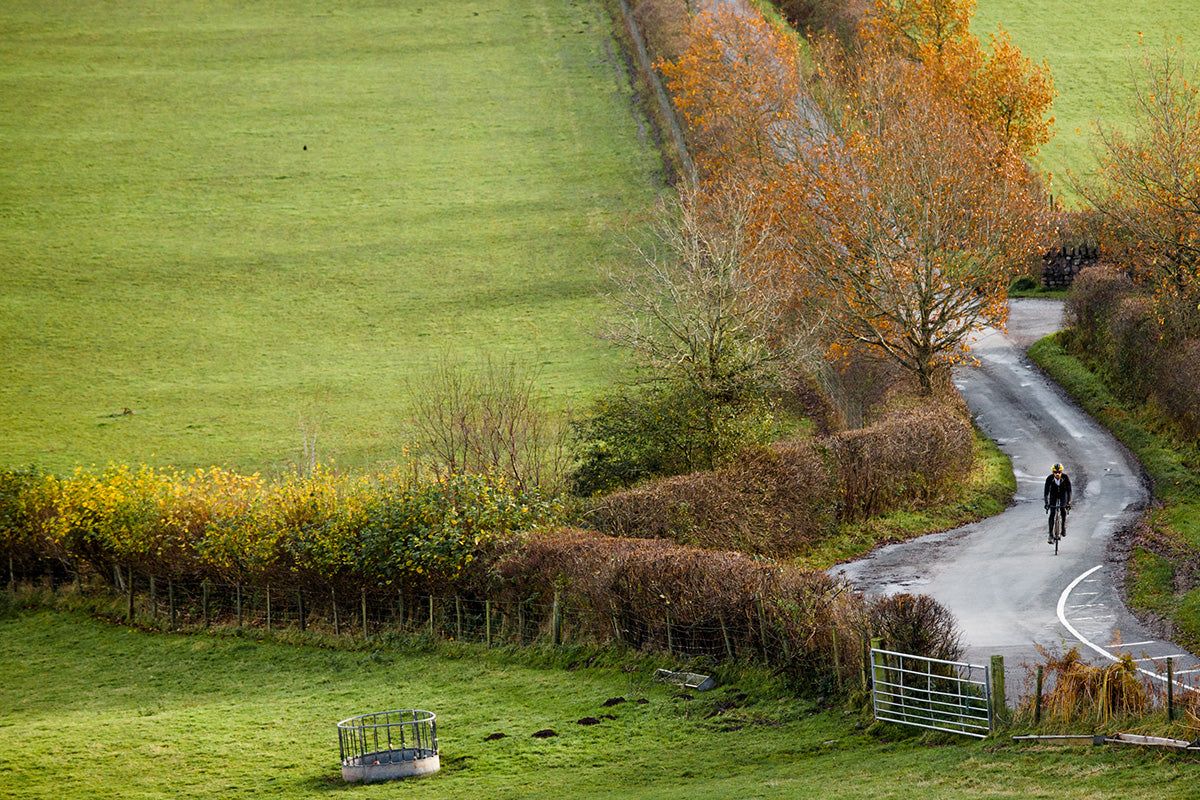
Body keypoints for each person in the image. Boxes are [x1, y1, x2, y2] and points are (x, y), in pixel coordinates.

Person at [1043, 463, 1072, 543]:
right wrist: (1046, 503)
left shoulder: (1065, 478)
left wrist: (1068, 503)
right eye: (1055, 472)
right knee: (1052, 513)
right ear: (1053, 473)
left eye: (1059, 472)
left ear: (1061, 472)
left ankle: (1063, 526)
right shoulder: (1049, 478)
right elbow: (1046, 492)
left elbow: (1069, 491)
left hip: (1063, 495)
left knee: (1063, 509)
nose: (1057, 474)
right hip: (1053, 495)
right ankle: (1051, 535)